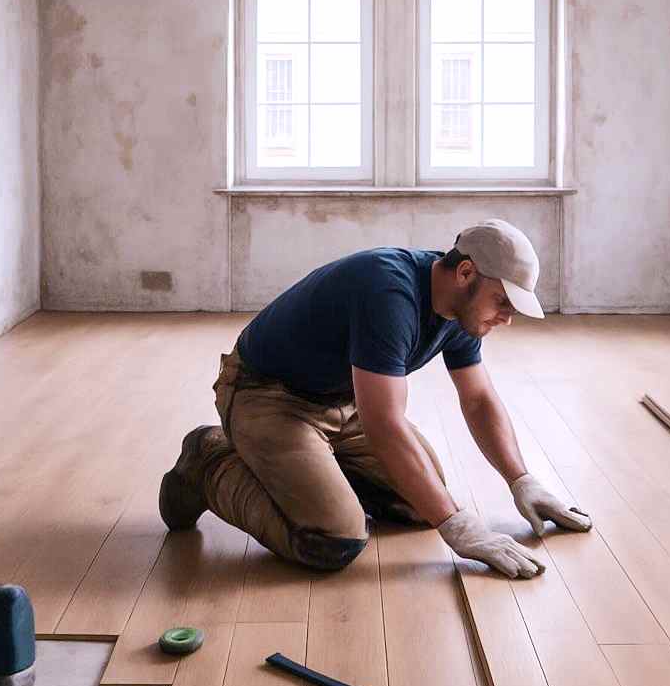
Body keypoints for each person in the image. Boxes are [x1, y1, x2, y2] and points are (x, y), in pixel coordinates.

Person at [158, 219, 591, 578]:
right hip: (268, 396)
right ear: (465, 273)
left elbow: (477, 399)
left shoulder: (461, 311)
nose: (507, 318)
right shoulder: (389, 293)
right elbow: (384, 424)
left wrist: (522, 480)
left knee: (418, 504)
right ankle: (208, 461)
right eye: (503, 302)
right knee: (336, 539)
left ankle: (314, 469)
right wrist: (458, 526)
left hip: (342, 400)